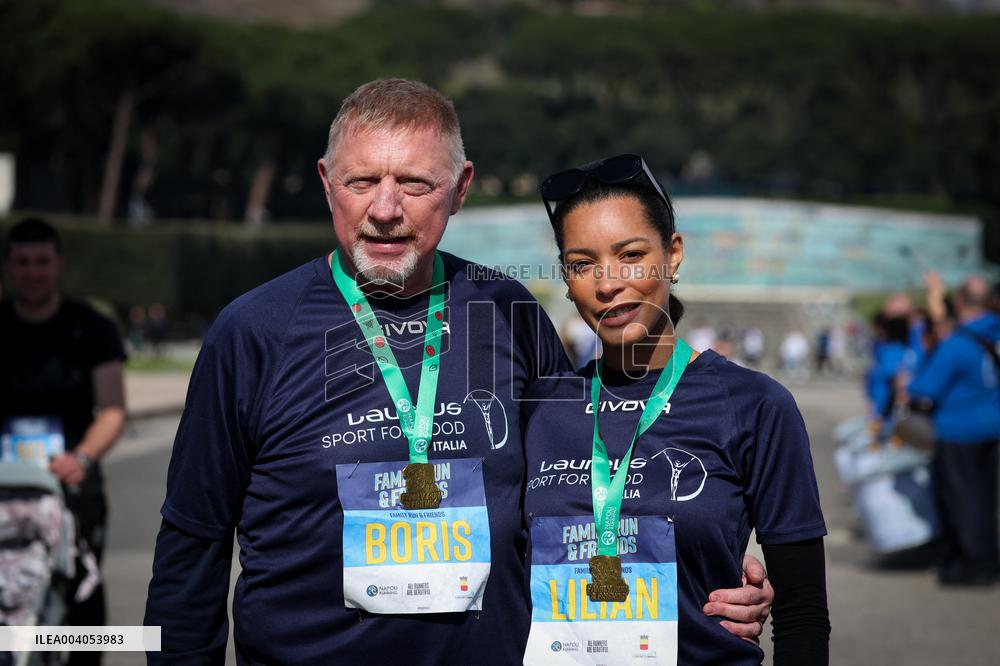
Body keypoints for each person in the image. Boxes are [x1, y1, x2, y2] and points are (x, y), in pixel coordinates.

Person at [144, 79, 772, 664]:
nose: (384, 208)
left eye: (415, 184)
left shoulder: (509, 312)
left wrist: (710, 573)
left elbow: (584, 489)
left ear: (461, 187)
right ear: (326, 182)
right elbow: (191, 545)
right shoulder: (253, 331)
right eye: (362, 181)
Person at [521, 154, 829, 664]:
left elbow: (802, 616)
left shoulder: (756, 406)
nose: (607, 283)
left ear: (674, 255)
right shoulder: (538, 409)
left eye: (630, 255)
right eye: (582, 265)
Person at [0, 217, 127, 665]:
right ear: (9, 267)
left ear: (58, 265)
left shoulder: (92, 328)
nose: (32, 272)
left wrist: (82, 458)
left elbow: (112, 409)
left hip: (70, 483)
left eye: (41, 261)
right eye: (22, 262)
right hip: (4, 487)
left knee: (79, 590)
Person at [908, 275, 1000, 586]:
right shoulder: (993, 332)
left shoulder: (958, 344)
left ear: (960, 301)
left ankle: (972, 564)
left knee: (961, 500)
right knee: (985, 498)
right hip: (991, 427)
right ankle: (988, 557)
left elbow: (924, 389)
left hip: (958, 431)